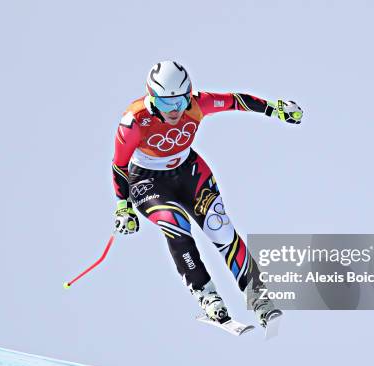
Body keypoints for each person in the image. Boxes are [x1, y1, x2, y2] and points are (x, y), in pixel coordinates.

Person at [111, 61, 303, 327]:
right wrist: (123, 206)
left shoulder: (198, 104)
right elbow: (119, 164)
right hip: (147, 181)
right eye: (167, 104)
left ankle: (258, 295)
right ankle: (207, 294)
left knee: (220, 228)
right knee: (175, 223)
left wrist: (275, 110)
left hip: (189, 171)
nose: (176, 110)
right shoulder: (134, 121)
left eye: (181, 101)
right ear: (152, 99)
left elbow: (237, 101)